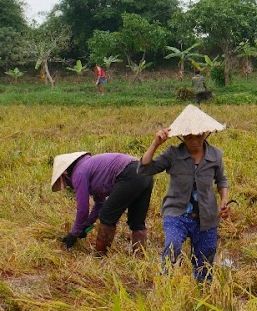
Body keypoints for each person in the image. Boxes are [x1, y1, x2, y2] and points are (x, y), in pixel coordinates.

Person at [139, 104, 229, 281]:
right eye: (188, 137)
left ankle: (202, 290)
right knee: (173, 245)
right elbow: (145, 169)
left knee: (205, 259)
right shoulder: (172, 154)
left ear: (205, 134)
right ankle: (167, 284)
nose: (194, 141)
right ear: (182, 136)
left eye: (198, 136)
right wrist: (155, 143)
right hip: (177, 214)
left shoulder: (215, 156)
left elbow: (221, 180)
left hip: (207, 215)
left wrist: (224, 200)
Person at [51, 151, 154, 254]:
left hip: (129, 173)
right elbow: (99, 203)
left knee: (106, 215)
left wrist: (74, 233)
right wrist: (86, 225)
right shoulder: (90, 167)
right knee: (137, 222)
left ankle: (100, 255)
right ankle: (140, 256)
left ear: (64, 173)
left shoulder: (79, 173)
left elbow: (83, 209)